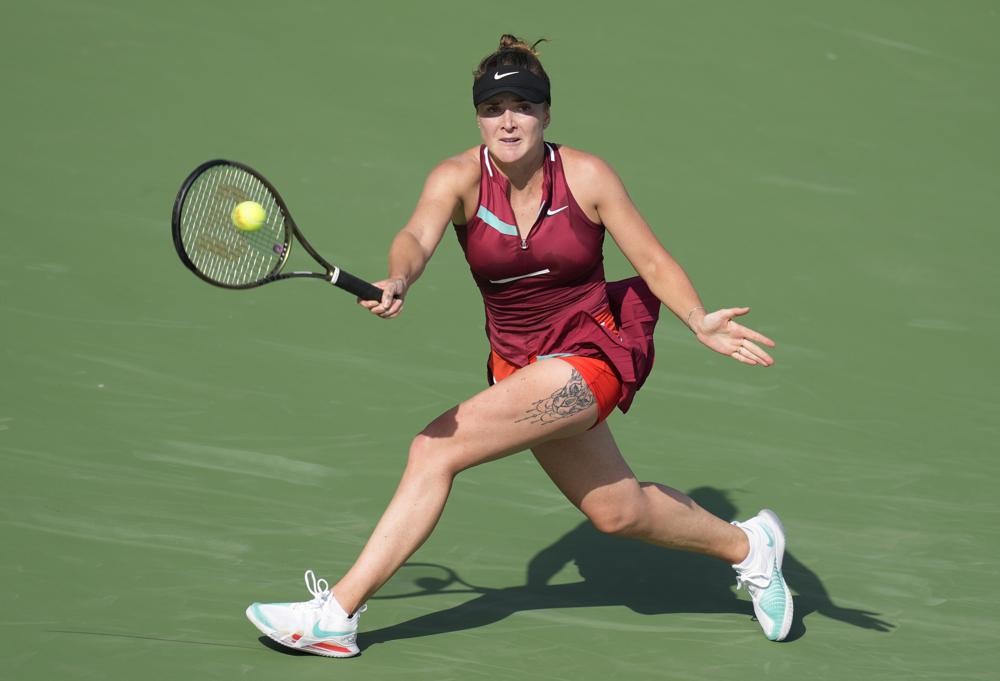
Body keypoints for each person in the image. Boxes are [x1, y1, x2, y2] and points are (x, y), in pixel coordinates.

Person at [245, 34, 793, 656]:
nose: (508, 120)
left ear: (546, 112)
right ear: (478, 116)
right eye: (494, 107)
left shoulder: (586, 175)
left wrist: (697, 319)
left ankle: (336, 615)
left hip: (591, 353)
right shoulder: (456, 179)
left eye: (524, 104)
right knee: (619, 513)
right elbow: (415, 236)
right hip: (519, 365)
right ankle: (750, 547)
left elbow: (652, 258)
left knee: (433, 449)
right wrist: (400, 276)